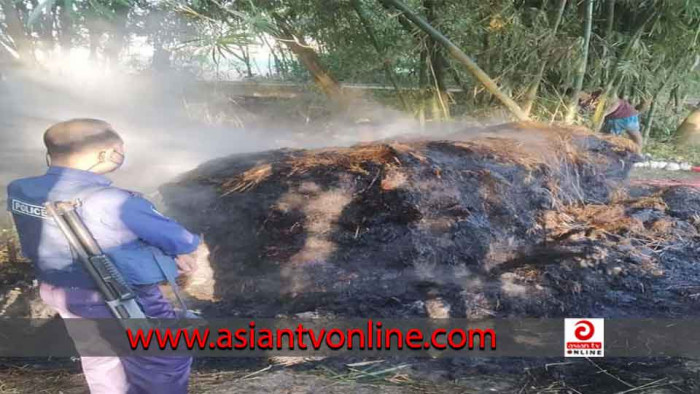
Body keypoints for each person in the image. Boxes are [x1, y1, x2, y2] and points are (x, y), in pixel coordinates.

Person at [6, 119, 201, 394]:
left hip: (59, 291)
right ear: (107, 154)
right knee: (163, 358)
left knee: (101, 357)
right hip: (120, 296)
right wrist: (180, 253)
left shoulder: (20, 189)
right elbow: (182, 239)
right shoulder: (118, 201)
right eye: (120, 149)